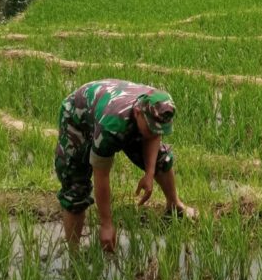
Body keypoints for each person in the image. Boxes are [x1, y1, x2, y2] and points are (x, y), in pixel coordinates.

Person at [55, 79, 196, 253]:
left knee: (162, 158)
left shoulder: (157, 105)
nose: (155, 132)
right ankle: (74, 254)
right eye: (151, 127)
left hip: (115, 108)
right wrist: (106, 224)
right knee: (75, 187)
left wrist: (149, 174)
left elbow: (154, 134)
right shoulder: (111, 126)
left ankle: (175, 205)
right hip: (77, 117)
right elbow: (101, 174)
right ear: (138, 113)